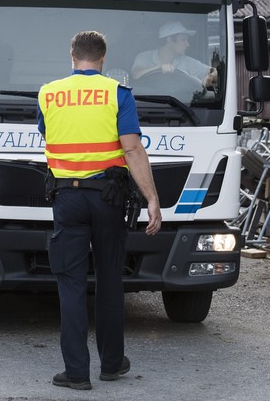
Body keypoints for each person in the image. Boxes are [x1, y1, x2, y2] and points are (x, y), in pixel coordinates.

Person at [38, 31, 161, 391]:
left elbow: (48, 136)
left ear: (72, 55)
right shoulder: (117, 93)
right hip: (108, 197)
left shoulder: (49, 94)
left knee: (71, 284)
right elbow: (133, 149)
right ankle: (111, 364)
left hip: (66, 199)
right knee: (110, 279)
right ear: (103, 58)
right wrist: (152, 198)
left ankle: (76, 372)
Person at [131, 21, 218, 87]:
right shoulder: (145, 57)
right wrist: (158, 67)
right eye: (183, 40)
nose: (187, 44)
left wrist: (206, 82)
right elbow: (136, 75)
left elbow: (215, 72)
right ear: (169, 40)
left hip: (183, 106)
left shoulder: (187, 62)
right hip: (148, 105)